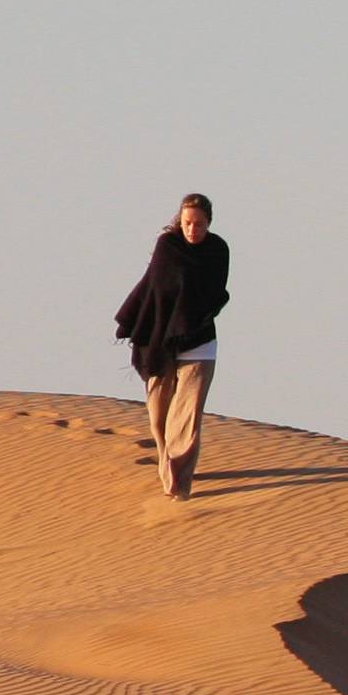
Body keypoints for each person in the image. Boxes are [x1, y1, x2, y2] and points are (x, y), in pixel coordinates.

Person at [111, 194, 232, 501]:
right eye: (188, 223)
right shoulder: (168, 247)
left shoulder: (218, 250)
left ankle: (178, 485)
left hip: (200, 344)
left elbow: (215, 294)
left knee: (186, 418)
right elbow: (155, 290)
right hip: (160, 343)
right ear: (180, 220)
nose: (193, 230)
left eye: (199, 224)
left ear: (209, 223)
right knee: (159, 417)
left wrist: (193, 320)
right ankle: (166, 461)